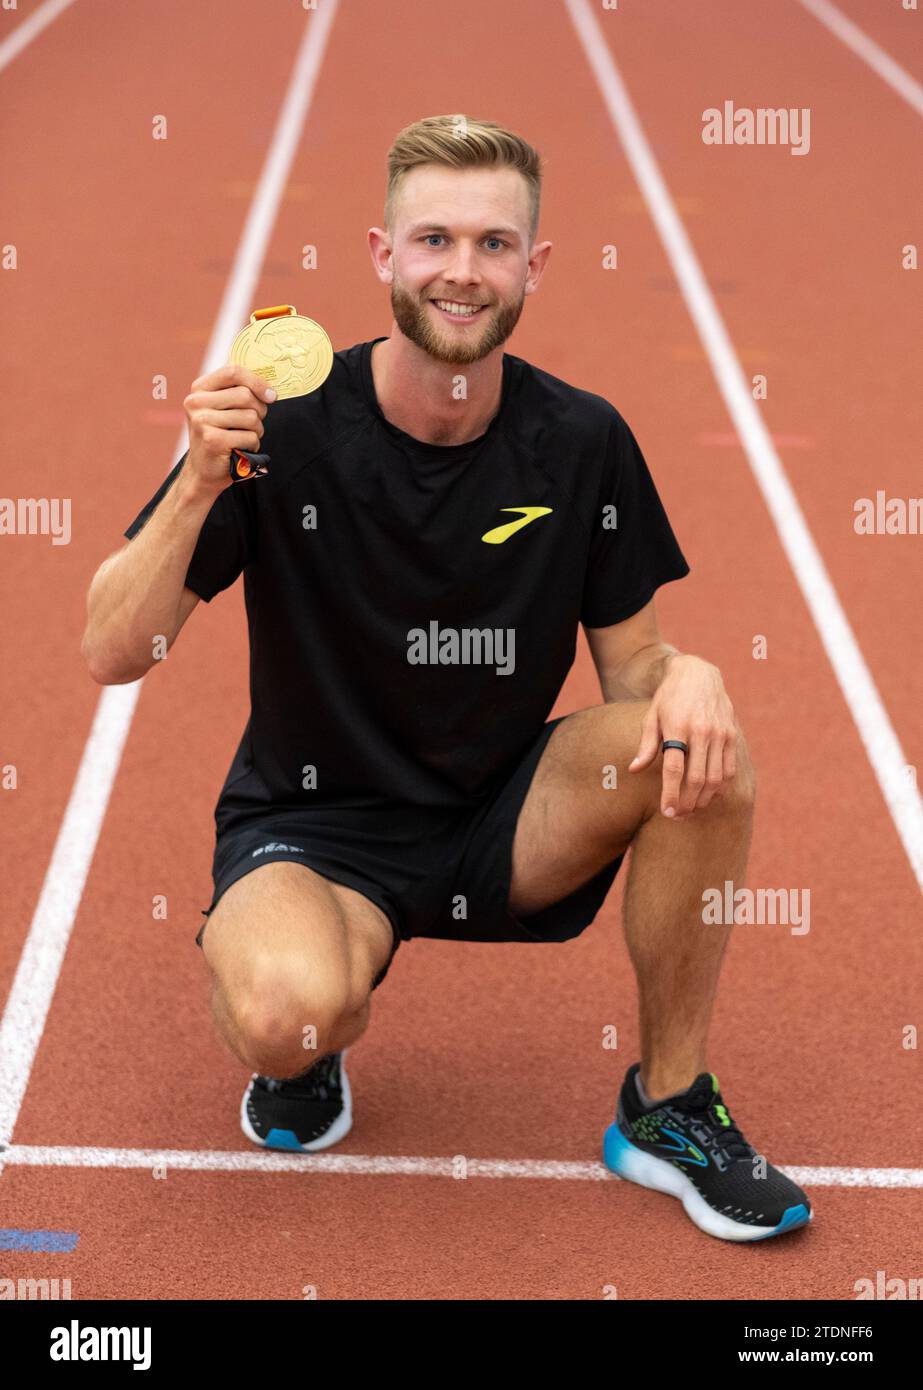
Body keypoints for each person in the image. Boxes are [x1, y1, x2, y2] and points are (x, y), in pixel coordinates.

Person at [81, 114, 811, 1243]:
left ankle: (665, 1105)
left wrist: (693, 673)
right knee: (288, 1015)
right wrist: (193, 486)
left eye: (491, 244)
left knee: (698, 747)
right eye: (432, 240)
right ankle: (312, 1038)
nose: (460, 272)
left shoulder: (581, 441)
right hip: (316, 824)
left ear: (533, 265)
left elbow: (635, 666)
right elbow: (109, 650)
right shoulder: (277, 431)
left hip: (506, 813)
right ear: (381, 255)